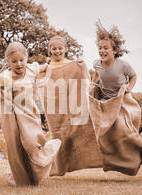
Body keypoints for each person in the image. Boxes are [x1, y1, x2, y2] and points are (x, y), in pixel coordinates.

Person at [0, 42, 61, 186]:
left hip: (31, 115)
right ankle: (24, 178)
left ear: (26, 58)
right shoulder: (4, 77)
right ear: (8, 62)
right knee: (18, 147)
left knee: (32, 143)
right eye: (14, 61)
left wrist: (44, 81)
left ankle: (43, 158)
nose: (18, 64)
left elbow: (48, 67)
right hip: (14, 119)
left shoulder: (32, 69)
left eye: (21, 60)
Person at [88, 22, 142, 176]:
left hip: (122, 100)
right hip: (106, 102)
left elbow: (134, 76)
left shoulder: (123, 65)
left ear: (115, 50)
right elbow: (96, 77)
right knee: (104, 132)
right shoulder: (96, 64)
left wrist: (129, 88)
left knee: (123, 130)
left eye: (106, 48)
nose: (102, 51)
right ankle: (111, 159)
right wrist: (92, 85)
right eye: (100, 48)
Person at [39, 36, 102, 176]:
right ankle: (58, 167)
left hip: (71, 105)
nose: (57, 51)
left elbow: (84, 82)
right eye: (54, 48)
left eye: (60, 48)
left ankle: (87, 160)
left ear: (65, 49)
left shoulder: (73, 64)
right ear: (49, 50)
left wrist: (81, 67)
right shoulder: (46, 67)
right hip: (53, 106)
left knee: (76, 131)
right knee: (57, 133)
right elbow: (37, 80)